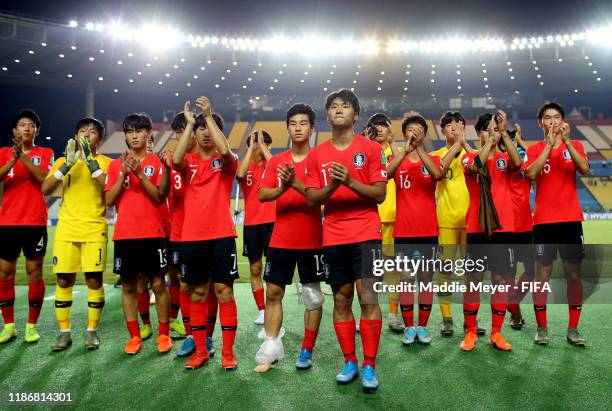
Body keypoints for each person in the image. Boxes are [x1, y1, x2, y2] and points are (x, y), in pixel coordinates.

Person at [305, 89, 387, 393]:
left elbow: (380, 194)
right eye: (334, 107)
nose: (339, 110)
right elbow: (313, 199)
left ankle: (369, 364)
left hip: (367, 233)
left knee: (368, 297)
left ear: (355, 114)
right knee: (341, 299)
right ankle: (350, 361)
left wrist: (350, 181)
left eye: (346, 106)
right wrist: (332, 186)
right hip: (335, 235)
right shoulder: (317, 155)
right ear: (328, 116)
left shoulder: (371, 149)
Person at [255, 103, 325, 372]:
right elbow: (263, 195)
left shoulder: (319, 160)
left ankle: (306, 349)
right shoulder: (276, 162)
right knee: (273, 292)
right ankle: (272, 346)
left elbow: (321, 197)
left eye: (303, 123)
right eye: (293, 123)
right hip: (281, 239)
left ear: (311, 127)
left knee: (312, 297)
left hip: (312, 239)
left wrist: (296, 185)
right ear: (287, 127)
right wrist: (283, 187)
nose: (298, 128)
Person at [172, 97, 239, 369]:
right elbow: (175, 160)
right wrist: (190, 123)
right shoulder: (186, 161)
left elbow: (225, 151)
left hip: (222, 235)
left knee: (224, 291)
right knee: (197, 293)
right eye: (201, 129)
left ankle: (228, 354)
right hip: (192, 237)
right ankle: (200, 351)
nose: (206, 133)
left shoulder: (226, 163)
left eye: (210, 128)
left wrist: (209, 117)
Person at [104, 112, 171, 355]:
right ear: (125, 135)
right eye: (130, 131)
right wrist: (123, 173)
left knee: (158, 284)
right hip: (125, 235)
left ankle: (164, 334)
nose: (135, 135)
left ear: (148, 134)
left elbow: (158, 197)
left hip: (153, 233)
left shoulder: (156, 162)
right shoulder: (114, 165)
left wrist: (140, 174)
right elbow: (109, 201)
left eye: (139, 131)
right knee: (129, 287)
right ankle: (134, 336)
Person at [525, 102, 590, 346]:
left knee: (574, 275)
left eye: (556, 117)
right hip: (543, 223)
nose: (552, 121)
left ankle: (573, 329)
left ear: (563, 121)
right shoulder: (534, 150)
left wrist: (568, 143)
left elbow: (584, 168)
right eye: (547, 117)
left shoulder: (577, 146)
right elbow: (531, 174)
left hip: (571, 221)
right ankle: (542, 329)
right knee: (541, 276)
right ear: (541, 122)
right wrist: (550, 146)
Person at [42, 118, 111, 351]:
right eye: (83, 130)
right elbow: (46, 189)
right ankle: (64, 333)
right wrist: (66, 166)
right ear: (76, 135)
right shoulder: (64, 160)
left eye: (93, 132)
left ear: (100, 139)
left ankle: (92, 332)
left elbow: (109, 189)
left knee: (94, 280)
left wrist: (92, 164)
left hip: (94, 228)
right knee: (63, 280)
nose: (87, 134)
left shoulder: (107, 163)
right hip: (66, 229)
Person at [459, 111, 521, 351]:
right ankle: (471, 332)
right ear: (479, 133)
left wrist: (504, 134)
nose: (491, 132)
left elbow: (518, 164)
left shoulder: (506, 158)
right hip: (477, 228)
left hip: (504, 228)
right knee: (473, 281)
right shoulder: (470, 157)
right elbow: (476, 167)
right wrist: (491, 143)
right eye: (487, 129)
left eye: (495, 128)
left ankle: (496, 333)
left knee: (500, 280)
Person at [386, 115, 444, 345]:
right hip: (403, 232)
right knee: (407, 279)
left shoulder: (431, 160)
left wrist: (418, 150)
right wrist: (404, 151)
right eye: (410, 129)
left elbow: (438, 175)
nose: (414, 132)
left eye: (419, 129)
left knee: (426, 278)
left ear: (425, 134)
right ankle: (409, 327)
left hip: (428, 231)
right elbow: (386, 175)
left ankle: (423, 327)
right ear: (404, 133)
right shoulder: (397, 160)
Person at [0, 109, 53, 344]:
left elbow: (44, 179)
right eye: (22, 125)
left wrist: (22, 157)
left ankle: (32, 326)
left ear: (37, 131)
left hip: (34, 222)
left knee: (35, 274)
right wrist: (12, 158)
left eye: (31, 125)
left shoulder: (46, 152)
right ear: (14, 130)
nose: (27, 129)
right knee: (4, 274)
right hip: (7, 223)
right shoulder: (3, 153)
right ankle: (9, 326)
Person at [429, 111, 476, 336]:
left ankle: (470, 320)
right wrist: (457, 145)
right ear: (442, 129)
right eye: (449, 125)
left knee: (471, 273)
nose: (454, 128)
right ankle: (447, 318)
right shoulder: (436, 155)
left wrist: (464, 145)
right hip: (446, 221)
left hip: (471, 222)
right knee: (445, 272)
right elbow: (437, 172)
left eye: (459, 124)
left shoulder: (474, 154)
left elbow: (481, 169)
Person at [365, 113, 403, 333]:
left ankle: (393, 314)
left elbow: (403, 168)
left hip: (394, 219)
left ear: (390, 130)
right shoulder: (366, 152)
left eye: (383, 125)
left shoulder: (394, 152)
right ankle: (368, 314)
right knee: (368, 272)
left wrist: (394, 142)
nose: (379, 129)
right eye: (375, 126)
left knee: (393, 271)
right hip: (369, 218)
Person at [236, 130, 275, 325]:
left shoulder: (272, 164)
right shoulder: (245, 165)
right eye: (254, 143)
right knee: (255, 268)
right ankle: (262, 310)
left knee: (272, 269)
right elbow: (240, 175)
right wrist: (252, 146)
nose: (258, 146)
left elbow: (279, 167)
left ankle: (273, 307)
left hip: (272, 222)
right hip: (252, 224)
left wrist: (263, 146)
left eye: (261, 143)